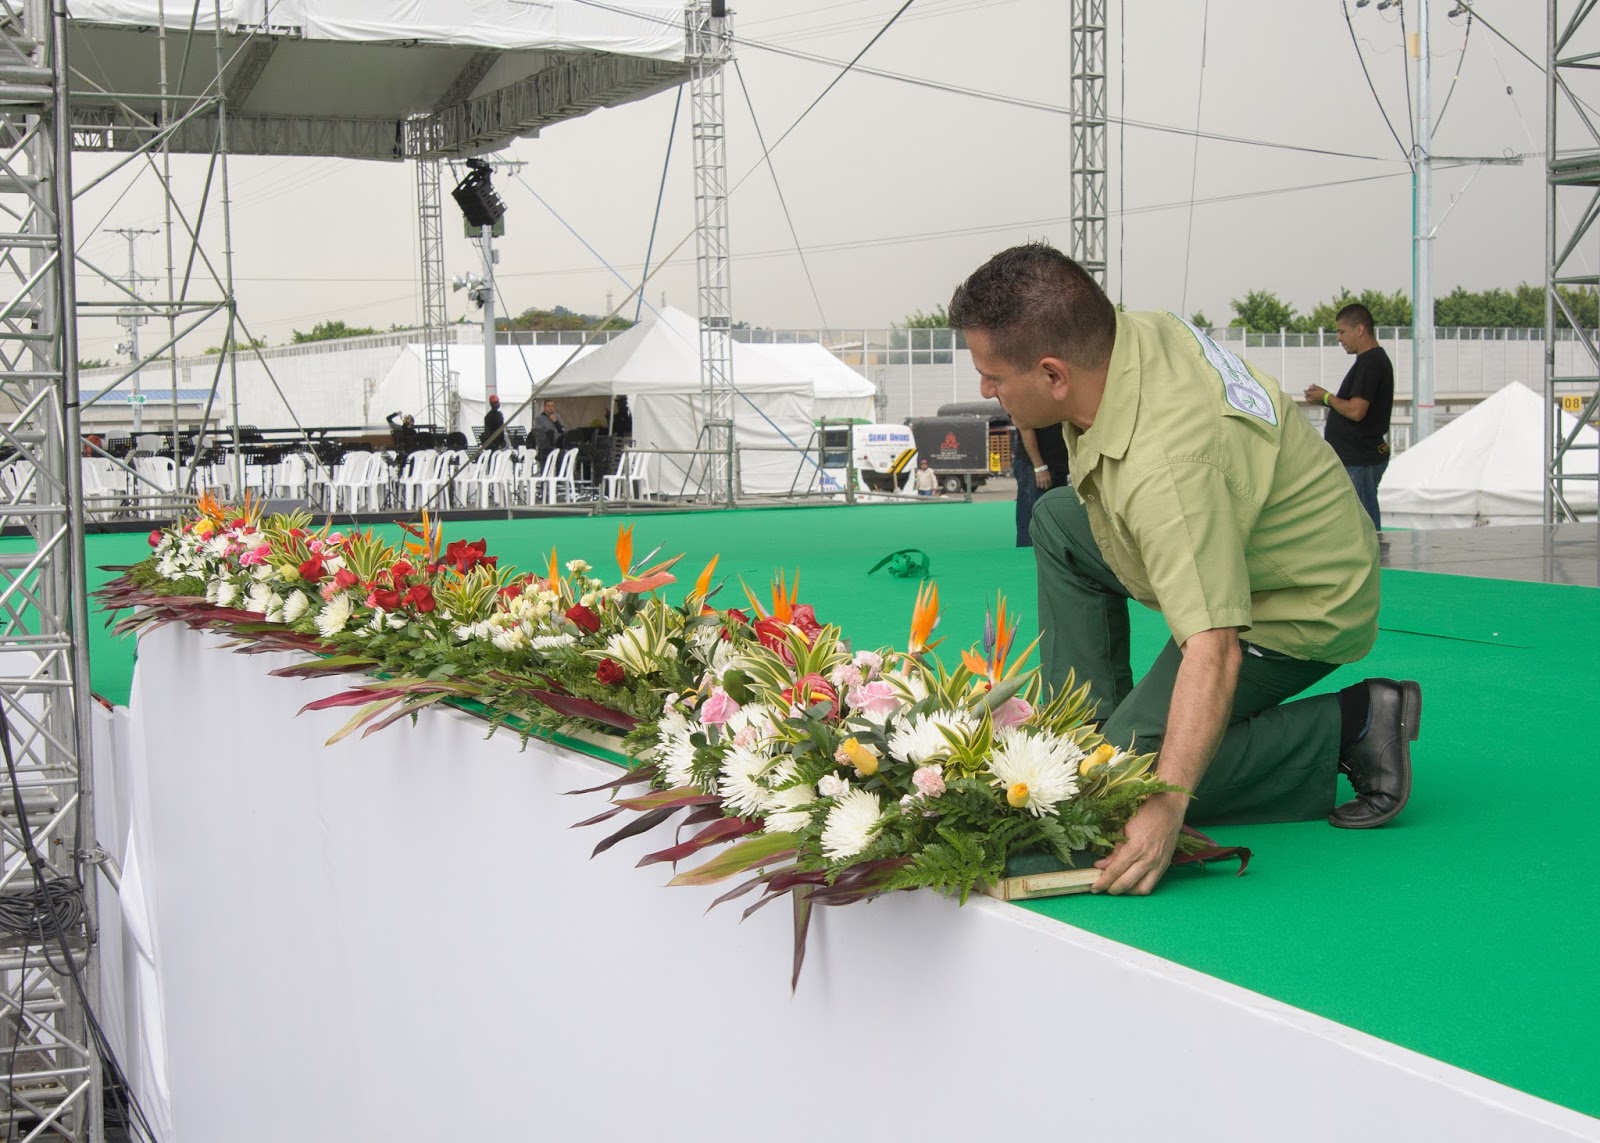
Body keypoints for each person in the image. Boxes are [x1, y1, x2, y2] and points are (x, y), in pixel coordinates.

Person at [948, 243, 1420, 897]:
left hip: (1299, 600)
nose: (985, 390)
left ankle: (1354, 724)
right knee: (1056, 520)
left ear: (1054, 375)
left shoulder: (1169, 466)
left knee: (1118, 782)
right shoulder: (1120, 341)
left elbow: (1214, 646)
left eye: (993, 375)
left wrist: (1166, 805)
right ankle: (1083, 726)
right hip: (1242, 537)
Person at [1303, 304, 1394, 532]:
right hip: (1356, 458)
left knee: (1364, 524)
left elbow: (1356, 411)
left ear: (1360, 329)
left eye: (1342, 331)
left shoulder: (1371, 363)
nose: (1338, 338)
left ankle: (1375, 564)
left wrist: (1326, 397)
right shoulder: (1368, 362)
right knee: (1355, 520)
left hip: (1360, 458)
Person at [1011, 423, 1069, 547]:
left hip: (1059, 464)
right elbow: (1025, 426)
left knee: (1057, 520)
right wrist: (1039, 466)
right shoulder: (1024, 403)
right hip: (1035, 466)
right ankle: (1026, 559)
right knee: (1031, 521)